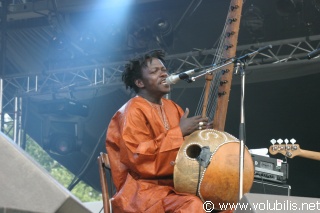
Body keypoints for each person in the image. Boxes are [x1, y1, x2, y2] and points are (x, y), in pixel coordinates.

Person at [106, 49, 216, 213]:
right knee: (194, 206)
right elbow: (139, 158)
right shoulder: (131, 111)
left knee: (222, 203)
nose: (164, 74)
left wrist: (198, 137)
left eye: (164, 70)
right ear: (140, 83)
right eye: (155, 71)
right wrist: (179, 132)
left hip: (175, 189)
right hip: (142, 195)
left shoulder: (173, 108)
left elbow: (184, 153)